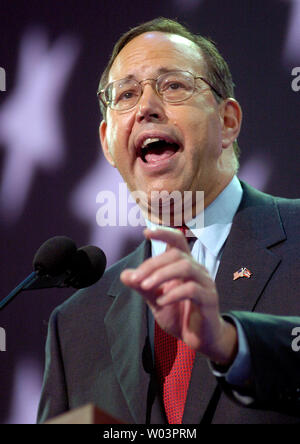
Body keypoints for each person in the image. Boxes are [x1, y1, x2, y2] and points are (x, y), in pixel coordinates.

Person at [37, 18, 300, 424]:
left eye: (173, 85)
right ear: (108, 142)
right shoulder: (74, 325)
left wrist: (232, 343)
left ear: (227, 122)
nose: (145, 108)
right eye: (125, 94)